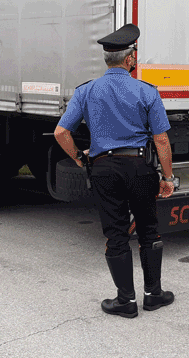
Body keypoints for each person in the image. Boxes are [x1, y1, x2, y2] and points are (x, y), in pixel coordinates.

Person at [54, 23, 178, 318]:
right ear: (130, 59)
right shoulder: (146, 91)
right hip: (139, 167)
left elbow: (61, 133)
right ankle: (153, 295)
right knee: (148, 230)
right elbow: (161, 139)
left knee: (116, 233)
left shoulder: (87, 91)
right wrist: (168, 177)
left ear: (108, 59)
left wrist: (78, 159)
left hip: (104, 169)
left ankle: (126, 301)